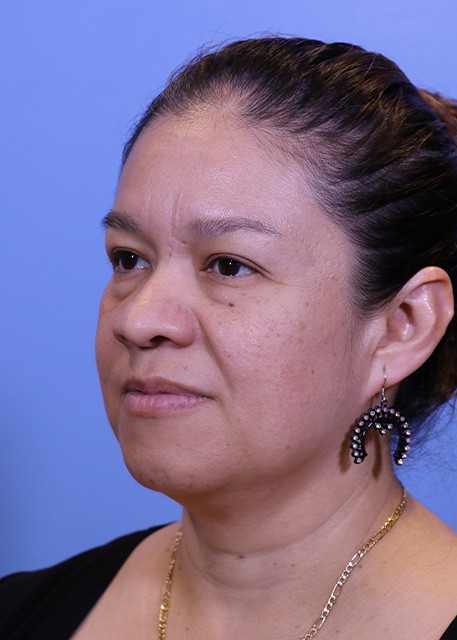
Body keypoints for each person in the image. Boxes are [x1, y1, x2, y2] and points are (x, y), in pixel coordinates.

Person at [1, 36, 457, 640]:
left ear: (403, 327)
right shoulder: (20, 613)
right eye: (130, 258)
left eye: (229, 266)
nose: (138, 320)